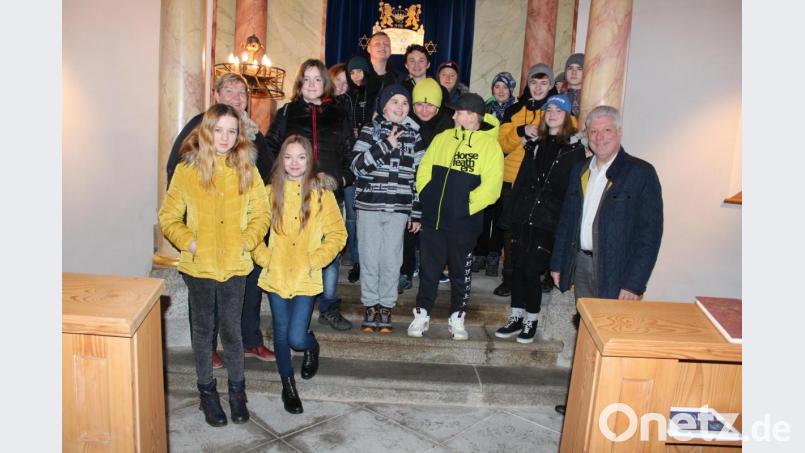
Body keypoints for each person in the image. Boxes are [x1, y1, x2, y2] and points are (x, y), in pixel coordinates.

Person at [159, 103, 270, 427]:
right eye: (219, 130)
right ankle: (207, 393)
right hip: (200, 267)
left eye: (231, 131)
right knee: (204, 332)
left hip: (236, 266)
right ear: (207, 130)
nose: (224, 137)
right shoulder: (187, 170)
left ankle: (237, 392)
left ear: (239, 136)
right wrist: (190, 242)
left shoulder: (248, 168)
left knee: (233, 333)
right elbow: (168, 216)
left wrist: (247, 242)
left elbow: (261, 214)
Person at [550, 105, 663, 414]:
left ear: (619, 133)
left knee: (614, 339)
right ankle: (583, 399)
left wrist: (634, 283)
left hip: (618, 273)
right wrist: (559, 262)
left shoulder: (640, 173)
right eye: (594, 131)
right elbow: (568, 219)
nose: (599, 137)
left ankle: (611, 404)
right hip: (582, 266)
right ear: (587, 135)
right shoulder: (582, 170)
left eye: (606, 130)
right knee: (587, 334)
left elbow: (649, 235)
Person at [166, 72, 276, 368]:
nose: (238, 98)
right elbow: (176, 176)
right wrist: (190, 237)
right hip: (205, 232)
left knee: (249, 290)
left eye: (242, 94)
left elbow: (268, 175)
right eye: (230, 91)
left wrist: (254, 231)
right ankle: (207, 348)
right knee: (206, 300)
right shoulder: (199, 127)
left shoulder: (251, 132)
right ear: (216, 97)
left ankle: (250, 340)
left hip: (244, 230)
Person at [252, 135, 347, 414]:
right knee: (281, 334)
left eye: (301, 157)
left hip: (306, 275)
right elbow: (252, 230)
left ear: (309, 160)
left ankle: (311, 345)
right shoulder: (269, 192)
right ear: (281, 160)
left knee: (296, 336)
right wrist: (264, 257)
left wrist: (315, 259)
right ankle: (288, 387)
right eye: (289, 157)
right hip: (277, 274)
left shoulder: (321, 193)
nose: (294, 163)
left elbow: (338, 234)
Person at [265, 59, 354, 331]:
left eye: (318, 79)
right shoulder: (287, 112)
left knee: (328, 250)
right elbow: (271, 149)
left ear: (325, 84)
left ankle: (328, 305)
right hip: (292, 195)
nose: (313, 84)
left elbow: (351, 153)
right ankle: (293, 297)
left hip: (326, 196)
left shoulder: (339, 113)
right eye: (307, 79)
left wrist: (342, 179)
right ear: (300, 84)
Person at [409, 92, 504, 340]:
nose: (453, 115)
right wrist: (427, 198)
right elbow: (424, 171)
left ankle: (457, 317)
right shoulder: (443, 138)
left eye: (458, 112)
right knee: (429, 271)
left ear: (472, 116)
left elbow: (492, 188)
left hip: (464, 224)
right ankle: (421, 315)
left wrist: (464, 206)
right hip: (433, 221)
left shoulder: (489, 145)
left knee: (461, 273)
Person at [494, 95, 585, 343]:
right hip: (524, 216)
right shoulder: (535, 144)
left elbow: (572, 192)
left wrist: (564, 225)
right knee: (517, 268)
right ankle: (516, 317)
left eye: (559, 110)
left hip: (548, 221)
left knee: (533, 270)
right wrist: (510, 215)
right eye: (549, 110)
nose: (553, 114)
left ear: (567, 116)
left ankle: (531, 320)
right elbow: (521, 181)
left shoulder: (574, 150)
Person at [350, 84, 424, 333]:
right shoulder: (369, 131)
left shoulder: (415, 135)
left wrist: (416, 211)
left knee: (392, 260)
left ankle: (386, 306)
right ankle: (370, 305)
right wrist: (384, 146)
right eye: (395, 102)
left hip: (398, 209)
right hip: (369, 206)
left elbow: (420, 177)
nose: (400, 107)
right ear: (384, 105)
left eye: (405, 103)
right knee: (370, 258)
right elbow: (357, 167)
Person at [494, 63, 557, 298]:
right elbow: (502, 145)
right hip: (512, 180)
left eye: (543, 83)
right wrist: (521, 131)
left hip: (541, 182)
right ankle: (509, 277)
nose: (538, 87)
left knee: (539, 232)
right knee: (511, 232)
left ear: (550, 85)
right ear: (527, 84)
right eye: (533, 82)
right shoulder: (513, 110)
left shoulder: (556, 108)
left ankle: (537, 276)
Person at [397, 78, 454, 294]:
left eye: (430, 105)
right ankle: (406, 269)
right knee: (409, 229)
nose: (424, 109)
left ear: (438, 106)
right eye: (419, 104)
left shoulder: (448, 124)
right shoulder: (405, 123)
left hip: (437, 184)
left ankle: (432, 268)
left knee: (432, 230)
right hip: (409, 184)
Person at [473, 71, 518, 277]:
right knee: (484, 214)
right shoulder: (484, 110)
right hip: (484, 168)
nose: (500, 91)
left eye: (505, 87)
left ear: (511, 90)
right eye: (497, 87)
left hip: (506, 170)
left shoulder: (516, 111)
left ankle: (493, 255)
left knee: (500, 215)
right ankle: (480, 253)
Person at [364, 32, 399, 114]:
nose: (383, 46)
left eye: (386, 44)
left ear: (390, 50)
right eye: (377, 44)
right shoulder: (357, 77)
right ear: (369, 49)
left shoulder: (399, 79)